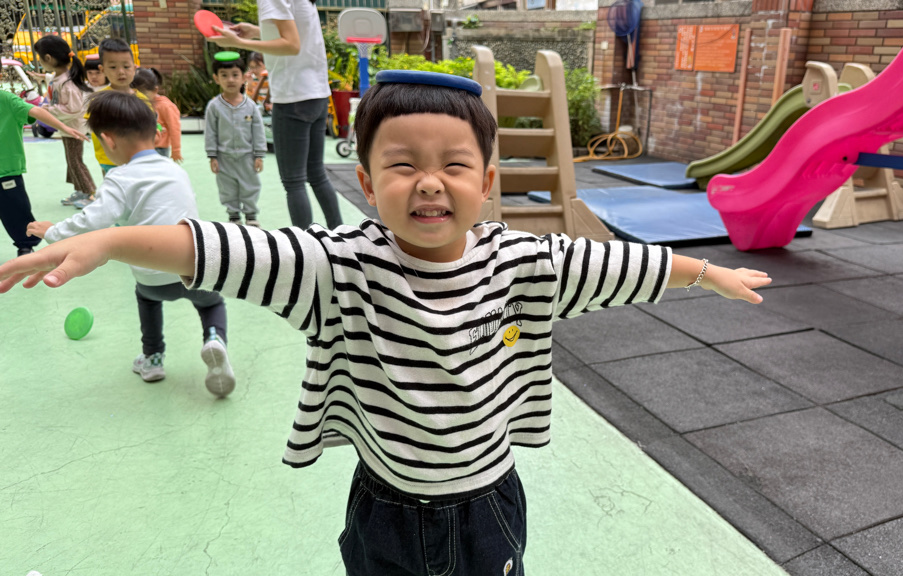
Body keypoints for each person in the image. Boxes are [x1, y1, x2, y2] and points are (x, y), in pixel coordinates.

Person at [0, 72, 771, 574]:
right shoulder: (337, 265)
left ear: (486, 181)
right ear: (367, 184)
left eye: (454, 165)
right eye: (403, 164)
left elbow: (611, 265)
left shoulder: (521, 261)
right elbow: (221, 249)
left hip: (488, 504)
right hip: (384, 509)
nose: (429, 182)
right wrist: (108, 239)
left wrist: (704, 271)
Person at [24, 91, 235, 396]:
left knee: (147, 299)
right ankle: (214, 339)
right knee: (212, 303)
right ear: (156, 133)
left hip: (152, 278)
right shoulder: (175, 170)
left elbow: (93, 219)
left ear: (108, 141)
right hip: (194, 266)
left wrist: (53, 231)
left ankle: (153, 358)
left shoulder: (120, 178)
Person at [210, 0, 343, 230]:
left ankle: (305, 245)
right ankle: (340, 234)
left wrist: (238, 42)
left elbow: (291, 44)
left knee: (294, 181)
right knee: (316, 174)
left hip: (292, 97)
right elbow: (296, 34)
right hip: (317, 94)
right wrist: (255, 32)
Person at [0, 89, 86, 258]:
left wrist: (63, 127)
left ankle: (25, 246)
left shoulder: (5, 98)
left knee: (15, 210)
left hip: (6, 168)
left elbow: (36, 111)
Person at [31, 35, 97, 208]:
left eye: (39, 57)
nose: (39, 61)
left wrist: (49, 110)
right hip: (68, 128)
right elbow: (54, 86)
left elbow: (74, 108)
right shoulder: (60, 77)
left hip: (74, 129)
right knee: (72, 160)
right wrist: (42, 78)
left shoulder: (67, 82)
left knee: (75, 161)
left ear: (48, 58)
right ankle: (81, 190)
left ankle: (89, 193)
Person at [205, 56, 266, 227]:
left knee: (250, 185)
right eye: (224, 75)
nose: (230, 80)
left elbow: (258, 131)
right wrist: (212, 156)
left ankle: (251, 214)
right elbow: (210, 132)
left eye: (235, 75)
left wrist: (259, 155)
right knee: (227, 188)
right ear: (216, 78)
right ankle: (233, 215)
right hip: (224, 157)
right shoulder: (214, 106)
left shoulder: (251, 106)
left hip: (247, 156)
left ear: (244, 77)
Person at [88, 37, 148, 182]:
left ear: (134, 67)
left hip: (137, 159)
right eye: (113, 67)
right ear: (102, 70)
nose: (121, 72)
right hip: (110, 160)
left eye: (126, 67)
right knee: (115, 191)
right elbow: (96, 129)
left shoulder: (143, 100)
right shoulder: (99, 100)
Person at [132, 68, 183, 163]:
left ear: (155, 90)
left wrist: (176, 150)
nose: (139, 96)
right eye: (135, 92)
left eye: (143, 93)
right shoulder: (137, 103)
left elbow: (174, 128)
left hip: (160, 149)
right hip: (140, 147)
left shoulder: (165, 106)